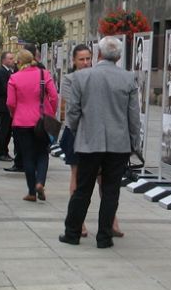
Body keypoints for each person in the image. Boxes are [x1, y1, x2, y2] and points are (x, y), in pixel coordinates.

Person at [59, 37, 139, 249]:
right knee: (111, 190)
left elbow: (73, 112)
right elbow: (134, 116)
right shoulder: (129, 78)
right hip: (118, 143)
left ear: (98, 55)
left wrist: (78, 132)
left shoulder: (82, 77)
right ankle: (104, 236)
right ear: (119, 57)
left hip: (89, 142)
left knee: (83, 189)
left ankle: (72, 232)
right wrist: (134, 143)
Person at [6, 49, 58, 202]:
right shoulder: (44, 74)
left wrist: (14, 113)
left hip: (21, 121)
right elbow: (54, 96)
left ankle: (31, 192)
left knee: (28, 156)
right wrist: (50, 112)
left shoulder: (14, 78)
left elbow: (10, 102)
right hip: (41, 119)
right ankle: (40, 182)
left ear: (19, 62)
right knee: (42, 153)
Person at [0, 51, 16, 164]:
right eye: (10, 58)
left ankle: (4, 151)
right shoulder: (1, 72)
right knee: (4, 129)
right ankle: (1, 152)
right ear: (4, 60)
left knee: (7, 129)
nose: (13, 60)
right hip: (4, 104)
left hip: (8, 104)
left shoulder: (10, 71)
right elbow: (4, 88)